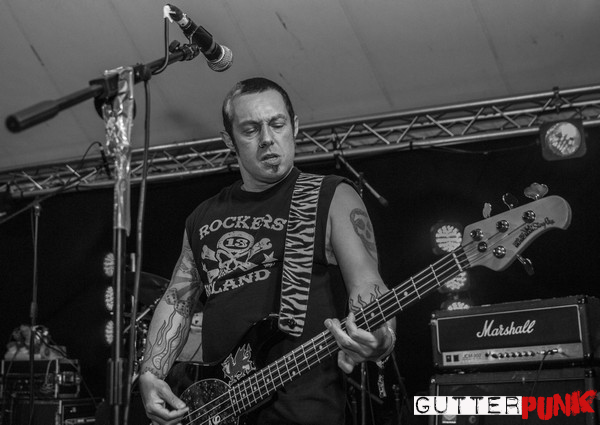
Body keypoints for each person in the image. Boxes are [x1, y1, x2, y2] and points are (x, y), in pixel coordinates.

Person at [138, 77, 396, 425]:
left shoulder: (330, 195)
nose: (267, 138)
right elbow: (178, 300)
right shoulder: (202, 217)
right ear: (228, 140)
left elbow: (367, 284)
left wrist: (381, 338)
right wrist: (151, 372)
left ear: (295, 126)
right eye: (250, 129)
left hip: (304, 408)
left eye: (277, 124)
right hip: (220, 409)